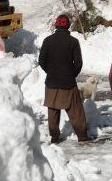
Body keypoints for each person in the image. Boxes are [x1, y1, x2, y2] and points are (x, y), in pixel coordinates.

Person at [38, 14, 94, 144]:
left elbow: (41, 61)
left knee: (53, 110)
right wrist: (71, 74)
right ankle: (82, 136)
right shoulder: (73, 42)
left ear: (56, 25)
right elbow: (78, 64)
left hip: (51, 82)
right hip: (68, 82)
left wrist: (50, 71)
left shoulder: (47, 41)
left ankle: (54, 137)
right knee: (76, 110)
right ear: (68, 26)